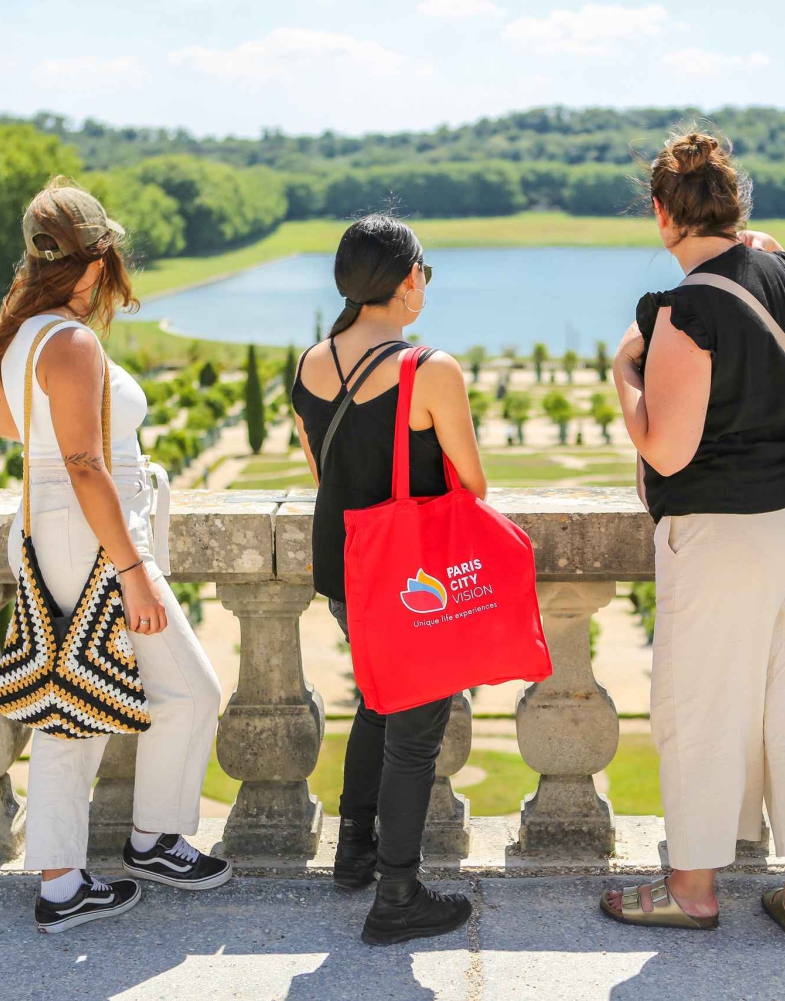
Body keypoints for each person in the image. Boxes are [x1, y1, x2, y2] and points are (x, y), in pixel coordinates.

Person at [599, 133, 785, 946]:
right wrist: (769, 251)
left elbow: (665, 447)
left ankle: (694, 886)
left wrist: (623, 379)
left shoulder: (688, 309)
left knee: (701, 706)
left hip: (726, 531)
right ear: (735, 204)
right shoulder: (782, 271)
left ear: (663, 214)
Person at [0, 178, 229, 934]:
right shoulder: (72, 340)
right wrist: (134, 565)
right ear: (98, 256)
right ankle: (153, 839)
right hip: (93, 533)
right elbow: (85, 463)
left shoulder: (25, 334)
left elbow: (12, 431)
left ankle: (64, 883)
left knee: (70, 699)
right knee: (192, 690)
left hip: (48, 530)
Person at [291, 214, 485, 946]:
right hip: (412, 578)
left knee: (377, 702)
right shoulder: (430, 368)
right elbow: (474, 482)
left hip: (346, 570)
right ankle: (397, 895)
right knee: (415, 730)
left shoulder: (310, 361)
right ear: (408, 281)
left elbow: (324, 473)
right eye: (424, 271)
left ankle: (354, 853)